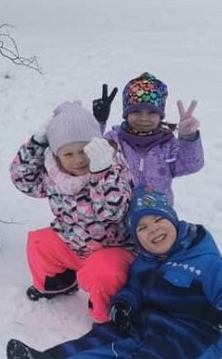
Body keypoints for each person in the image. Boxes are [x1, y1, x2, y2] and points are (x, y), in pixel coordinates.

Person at [6, 189, 222, 359]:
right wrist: (123, 305)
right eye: (142, 228)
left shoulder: (207, 262)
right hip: (145, 322)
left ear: (175, 222)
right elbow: (133, 289)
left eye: (159, 220)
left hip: (189, 332)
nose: (153, 229)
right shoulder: (144, 262)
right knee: (104, 340)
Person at [11, 101, 135, 323]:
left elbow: (112, 211)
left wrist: (102, 172)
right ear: (56, 155)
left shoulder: (115, 169)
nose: (78, 160)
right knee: (39, 243)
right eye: (68, 153)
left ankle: (105, 314)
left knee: (104, 273)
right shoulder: (55, 175)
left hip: (112, 249)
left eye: (84, 150)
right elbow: (23, 179)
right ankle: (59, 284)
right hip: (74, 243)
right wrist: (36, 144)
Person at [93, 73, 203, 205]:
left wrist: (187, 137)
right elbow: (89, 157)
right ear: (126, 114)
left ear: (160, 115)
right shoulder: (114, 140)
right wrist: (98, 123)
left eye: (151, 112)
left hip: (157, 213)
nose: (143, 118)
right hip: (119, 211)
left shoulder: (167, 144)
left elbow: (190, 165)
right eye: (136, 111)